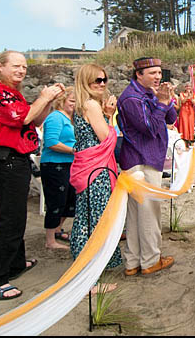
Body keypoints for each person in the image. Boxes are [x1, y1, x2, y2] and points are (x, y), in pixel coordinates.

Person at [0, 51, 65, 300]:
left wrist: (46, 101)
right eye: (16, 65)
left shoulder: (11, 92)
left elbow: (35, 119)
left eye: (24, 66)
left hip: (14, 161)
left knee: (14, 217)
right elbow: (21, 118)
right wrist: (43, 96)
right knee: (10, 220)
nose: (21, 70)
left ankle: (14, 264)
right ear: (0, 66)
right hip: (4, 161)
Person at [117, 57, 178, 276]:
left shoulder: (149, 93)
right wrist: (160, 103)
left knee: (136, 214)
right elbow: (150, 129)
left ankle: (133, 262)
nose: (158, 77)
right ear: (138, 75)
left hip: (147, 158)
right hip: (141, 160)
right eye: (152, 73)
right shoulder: (131, 98)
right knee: (149, 211)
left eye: (159, 73)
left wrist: (166, 99)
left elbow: (172, 118)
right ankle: (151, 260)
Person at [70, 65, 122, 292]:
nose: (102, 84)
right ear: (85, 82)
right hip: (96, 169)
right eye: (96, 80)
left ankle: (86, 271)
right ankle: (88, 279)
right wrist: (110, 119)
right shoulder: (91, 105)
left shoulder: (82, 105)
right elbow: (106, 138)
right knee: (97, 220)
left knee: (87, 217)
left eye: (104, 80)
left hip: (87, 165)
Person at [39, 86, 77, 250]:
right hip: (54, 164)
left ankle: (57, 229)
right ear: (62, 101)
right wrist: (73, 150)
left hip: (69, 163)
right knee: (56, 200)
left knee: (69, 199)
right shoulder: (55, 117)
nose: (74, 105)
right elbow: (51, 142)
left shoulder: (71, 119)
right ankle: (50, 240)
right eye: (71, 101)